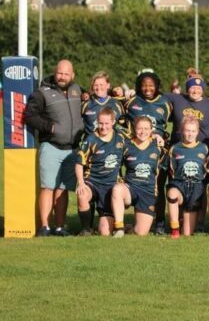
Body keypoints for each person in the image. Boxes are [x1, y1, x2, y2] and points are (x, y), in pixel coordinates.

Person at [25, 59, 84, 237]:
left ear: (72, 75)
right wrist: (48, 127)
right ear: (54, 72)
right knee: (48, 187)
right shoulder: (41, 92)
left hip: (72, 149)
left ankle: (59, 227)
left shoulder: (78, 90)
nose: (62, 77)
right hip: (51, 146)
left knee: (63, 189)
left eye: (66, 74)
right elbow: (29, 115)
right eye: (60, 73)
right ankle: (44, 226)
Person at [125, 69, 172, 235]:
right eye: (144, 85)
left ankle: (159, 222)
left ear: (157, 86)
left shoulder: (165, 103)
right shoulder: (131, 102)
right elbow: (115, 108)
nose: (148, 88)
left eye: (151, 85)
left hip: (158, 151)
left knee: (158, 187)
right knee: (137, 181)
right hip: (136, 150)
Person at [110, 116, 164, 237]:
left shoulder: (159, 147)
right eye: (139, 128)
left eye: (146, 129)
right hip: (131, 189)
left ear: (151, 131)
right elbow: (115, 165)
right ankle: (119, 228)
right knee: (118, 189)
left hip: (148, 191)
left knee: (140, 233)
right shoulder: (127, 145)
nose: (143, 132)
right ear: (134, 129)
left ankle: (129, 228)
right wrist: (119, 179)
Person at [75, 107, 125, 236]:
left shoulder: (121, 138)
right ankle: (86, 229)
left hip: (110, 185)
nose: (103, 127)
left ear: (113, 122)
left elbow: (140, 135)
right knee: (82, 195)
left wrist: (156, 137)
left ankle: (108, 224)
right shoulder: (90, 139)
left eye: (107, 123)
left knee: (105, 232)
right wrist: (81, 183)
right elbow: (79, 163)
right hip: (92, 182)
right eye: (100, 123)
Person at [166, 116, 209, 238]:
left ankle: (188, 222)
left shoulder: (204, 148)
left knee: (187, 233)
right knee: (172, 193)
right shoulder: (175, 148)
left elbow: (207, 171)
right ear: (181, 131)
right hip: (180, 185)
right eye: (187, 130)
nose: (190, 134)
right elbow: (171, 170)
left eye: (193, 131)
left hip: (196, 187)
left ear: (197, 132)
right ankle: (174, 229)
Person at [166, 74, 209, 150]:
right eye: (192, 87)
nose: (196, 91)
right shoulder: (177, 99)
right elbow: (156, 97)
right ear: (187, 89)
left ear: (203, 90)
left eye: (199, 88)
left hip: (204, 149)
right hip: (178, 148)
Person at [81, 71, 126, 137]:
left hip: (111, 145)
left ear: (108, 85)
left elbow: (123, 125)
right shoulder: (85, 104)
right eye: (96, 85)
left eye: (101, 85)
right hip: (92, 145)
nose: (98, 88)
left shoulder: (117, 104)